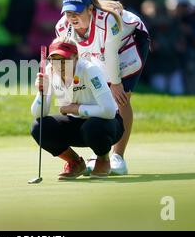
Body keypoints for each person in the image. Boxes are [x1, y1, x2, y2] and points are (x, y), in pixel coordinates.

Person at [55, 0, 150, 175]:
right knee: (93, 95)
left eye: (77, 12)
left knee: (120, 98)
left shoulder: (108, 20)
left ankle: (118, 157)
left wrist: (115, 83)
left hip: (128, 45)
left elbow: (112, 55)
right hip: (101, 52)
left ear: (90, 9)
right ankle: (99, 153)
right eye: (68, 12)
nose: (71, 17)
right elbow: (73, 58)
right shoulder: (63, 27)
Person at [30, 37, 124, 180]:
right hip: (76, 126)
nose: (59, 65)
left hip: (107, 126)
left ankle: (103, 159)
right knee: (39, 126)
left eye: (64, 60)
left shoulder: (89, 70)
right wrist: (42, 91)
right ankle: (75, 162)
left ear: (75, 57)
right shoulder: (49, 71)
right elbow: (38, 114)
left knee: (92, 127)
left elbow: (109, 111)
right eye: (54, 60)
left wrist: (76, 108)